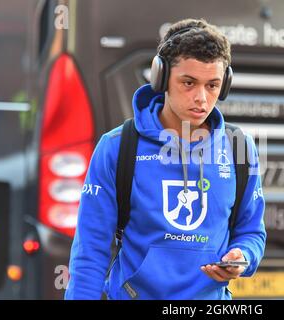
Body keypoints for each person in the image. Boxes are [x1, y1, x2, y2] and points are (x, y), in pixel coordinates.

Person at [65, 18, 266, 300]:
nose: (201, 98)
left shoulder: (239, 147)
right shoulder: (117, 146)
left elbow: (252, 232)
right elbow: (90, 251)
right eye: (188, 83)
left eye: (212, 86)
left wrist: (242, 257)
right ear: (160, 78)